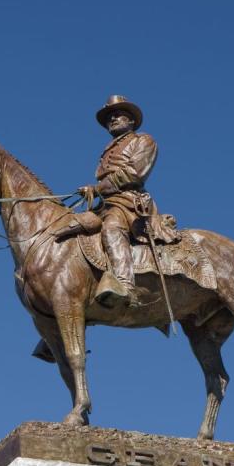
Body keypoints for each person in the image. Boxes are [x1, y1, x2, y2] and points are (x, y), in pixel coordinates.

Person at [78, 95, 162, 308]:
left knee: (112, 228)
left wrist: (97, 188)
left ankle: (125, 284)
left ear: (132, 121)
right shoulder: (107, 149)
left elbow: (134, 173)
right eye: (110, 116)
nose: (113, 118)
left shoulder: (143, 140)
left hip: (129, 202)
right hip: (106, 203)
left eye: (118, 114)